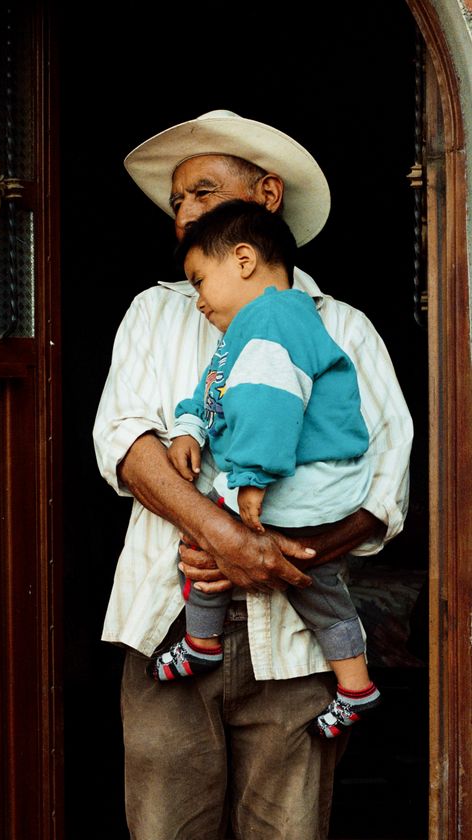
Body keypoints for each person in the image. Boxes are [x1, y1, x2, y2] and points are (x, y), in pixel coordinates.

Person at [93, 110, 413, 839]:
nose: (183, 216)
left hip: (297, 648)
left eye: (202, 193)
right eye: (176, 202)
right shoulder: (155, 311)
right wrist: (223, 538)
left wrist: (271, 558)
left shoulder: (344, 327)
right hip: (168, 622)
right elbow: (126, 444)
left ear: (267, 196)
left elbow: (385, 487)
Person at [150, 198, 381, 739]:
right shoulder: (255, 327)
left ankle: (201, 643)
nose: (199, 300)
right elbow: (217, 392)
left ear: (245, 260)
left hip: (305, 477)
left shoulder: (273, 320)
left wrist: (250, 477)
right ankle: (356, 685)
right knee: (316, 582)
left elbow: (267, 398)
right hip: (318, 484)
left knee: (207, 529)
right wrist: (191, 429)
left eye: (201, 279)